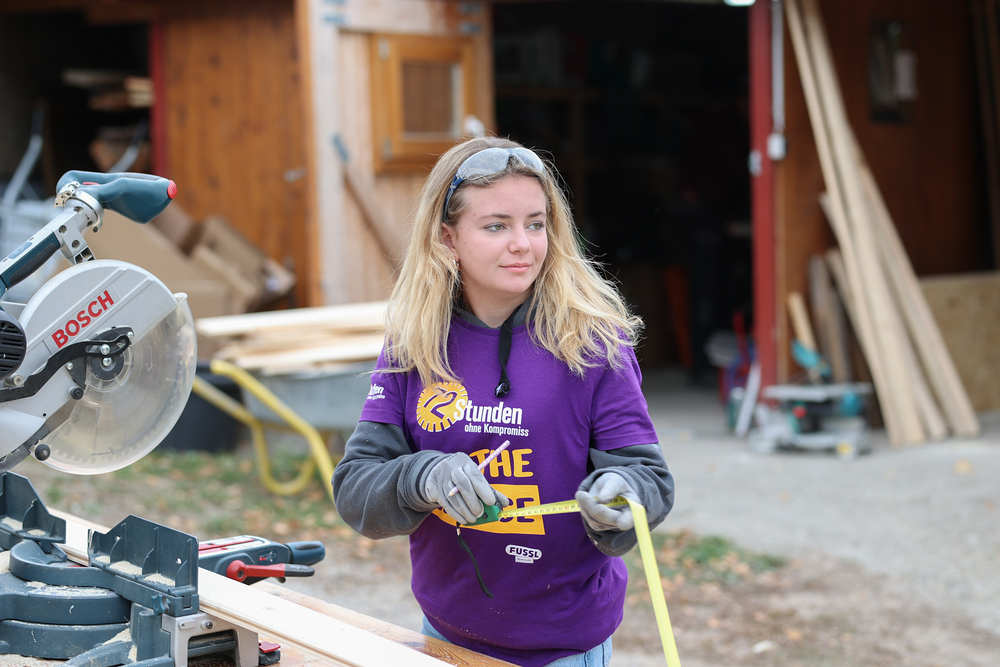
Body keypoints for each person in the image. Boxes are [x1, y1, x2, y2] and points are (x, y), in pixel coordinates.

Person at [332, 136, 674, 667]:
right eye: (496, 226)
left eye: (535, 224)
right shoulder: (415, 341)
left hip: (563, 648)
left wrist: (623, 497)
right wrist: (423, 477)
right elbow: (356, 490)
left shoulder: (594, 342)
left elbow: (649, 479)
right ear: (447, 238)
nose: (523, 244)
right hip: (444, 636)